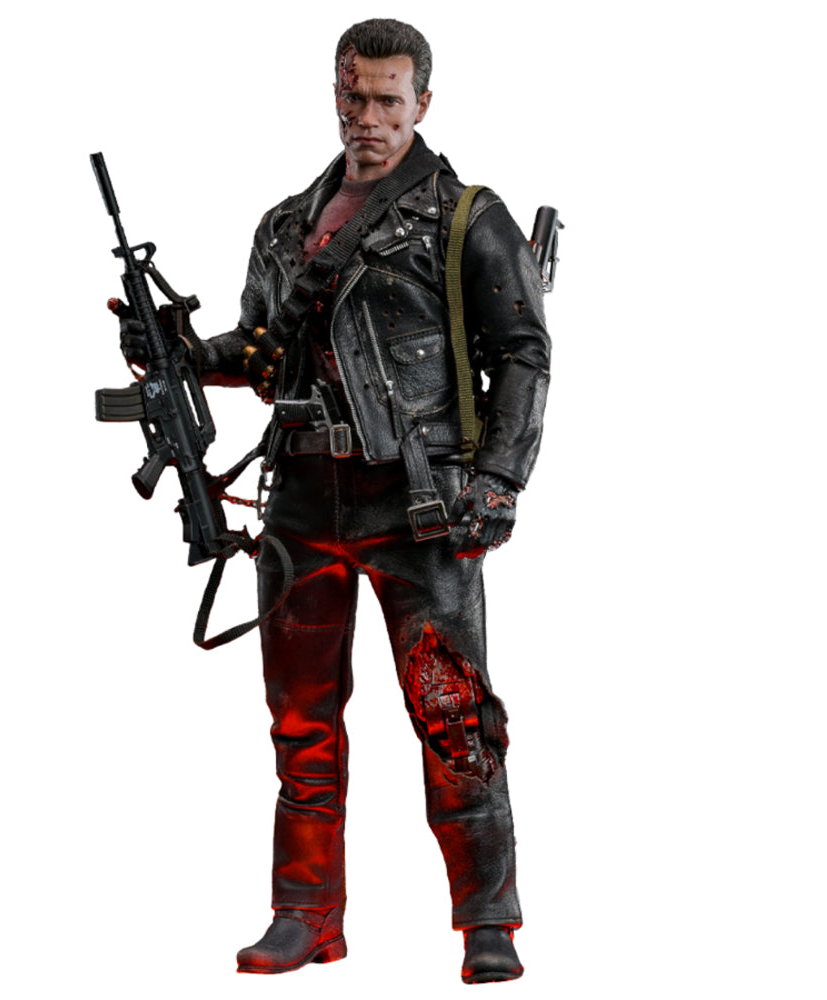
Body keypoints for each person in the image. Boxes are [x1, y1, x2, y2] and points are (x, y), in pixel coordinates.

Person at [123, 17, 551, 985]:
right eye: (354, 97)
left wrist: (499, 481)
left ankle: (488, 920)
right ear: (334, 94)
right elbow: (261, 351)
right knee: (300, 717)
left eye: (388, 100)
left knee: (453, 712)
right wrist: (178, 353)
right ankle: (305, 912)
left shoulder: (463, 217)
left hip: (423, 505)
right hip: (302, 501)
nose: (369, 117)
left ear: (423, 103)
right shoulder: (286, 225)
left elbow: (524, 352)